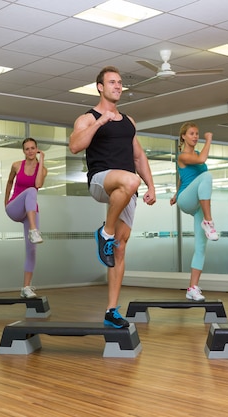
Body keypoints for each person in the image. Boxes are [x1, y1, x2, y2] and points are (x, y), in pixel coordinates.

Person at [69, 65, 156, 328]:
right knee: (130, 179)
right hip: (101, 180)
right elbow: (74, 146)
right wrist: (99, 122)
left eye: (120, 83)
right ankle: (104, 232)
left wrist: (151, 186)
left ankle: (111, 311)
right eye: (112, 82)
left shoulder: (129, 122)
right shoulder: (87, 117)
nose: (118, 86)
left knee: (119, 247)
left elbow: (138, 156)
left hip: (126, 188)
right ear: (100, 87)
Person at [170, 122, 219, 302]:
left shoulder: (196, 154)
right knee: (207, 175)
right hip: (187, 200)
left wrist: (174, 193)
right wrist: (209, 139)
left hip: (196, 202)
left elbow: (182, 178)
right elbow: (201, 162)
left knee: (201, 247)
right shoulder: (183, 156)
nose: (195, 136)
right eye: (192, 134)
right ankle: (208, 220)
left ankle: (192, 288)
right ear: (183, 136)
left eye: (197, 134)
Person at [5, 138, 48, 298]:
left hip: (30, 212)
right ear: (24, 151)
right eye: (27, 149)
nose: (30, 151)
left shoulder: (42, 169)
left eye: (33, 148)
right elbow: (9, 182)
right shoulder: (17, 165)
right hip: (15, 208)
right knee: (31, 191)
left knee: (32, 250)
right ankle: (33, 230)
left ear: (37, 149)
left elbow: (38, 184)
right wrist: (5, 202)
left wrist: (41, 160)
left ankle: (26, 287)